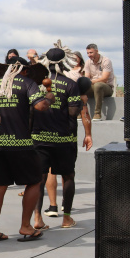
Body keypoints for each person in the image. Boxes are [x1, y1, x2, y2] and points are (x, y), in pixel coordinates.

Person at [0, 56, 50, 243]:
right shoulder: (27, 83)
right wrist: (48, 99)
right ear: (25, 70)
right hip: (20, 144)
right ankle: (26, 226)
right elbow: (40, 105)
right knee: (34, 182)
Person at [29, 48, 84, 231]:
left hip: (38, 138)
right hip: (63, 139)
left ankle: (37, 218)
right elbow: (74, 112)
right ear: (64, 62)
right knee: (68, 176)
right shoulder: (70, 84)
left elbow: (30, 111)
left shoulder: (36, 84)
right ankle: (66, 217)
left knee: (39, 179)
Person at [84, 44, 114, 121]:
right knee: (80, 86)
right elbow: (87, 77)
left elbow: (104, 79)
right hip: (93, 86)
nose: (89, 55)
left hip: (107, 87)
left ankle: (97, 113)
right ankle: (81, 113)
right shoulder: (87, 62)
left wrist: (90, 82)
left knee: (98, 85)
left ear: (97, 51)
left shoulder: (106, 61)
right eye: (87, 53)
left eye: (91, 52)